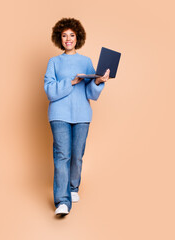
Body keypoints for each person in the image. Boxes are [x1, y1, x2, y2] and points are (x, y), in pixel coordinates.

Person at [44, 17, 110, 216]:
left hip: (82, 114)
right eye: (64, 36)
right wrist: (71, 82)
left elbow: (90, 93)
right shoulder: (54, 62)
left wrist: (98, 82)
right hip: (59, 114)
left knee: (77, 156)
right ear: (59, 38)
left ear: (78, 37)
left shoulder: (86, 61)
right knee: (62, 155)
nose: (68, 39)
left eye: (72, 35)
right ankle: (62, 202)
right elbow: (49, 91)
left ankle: (72, 189)